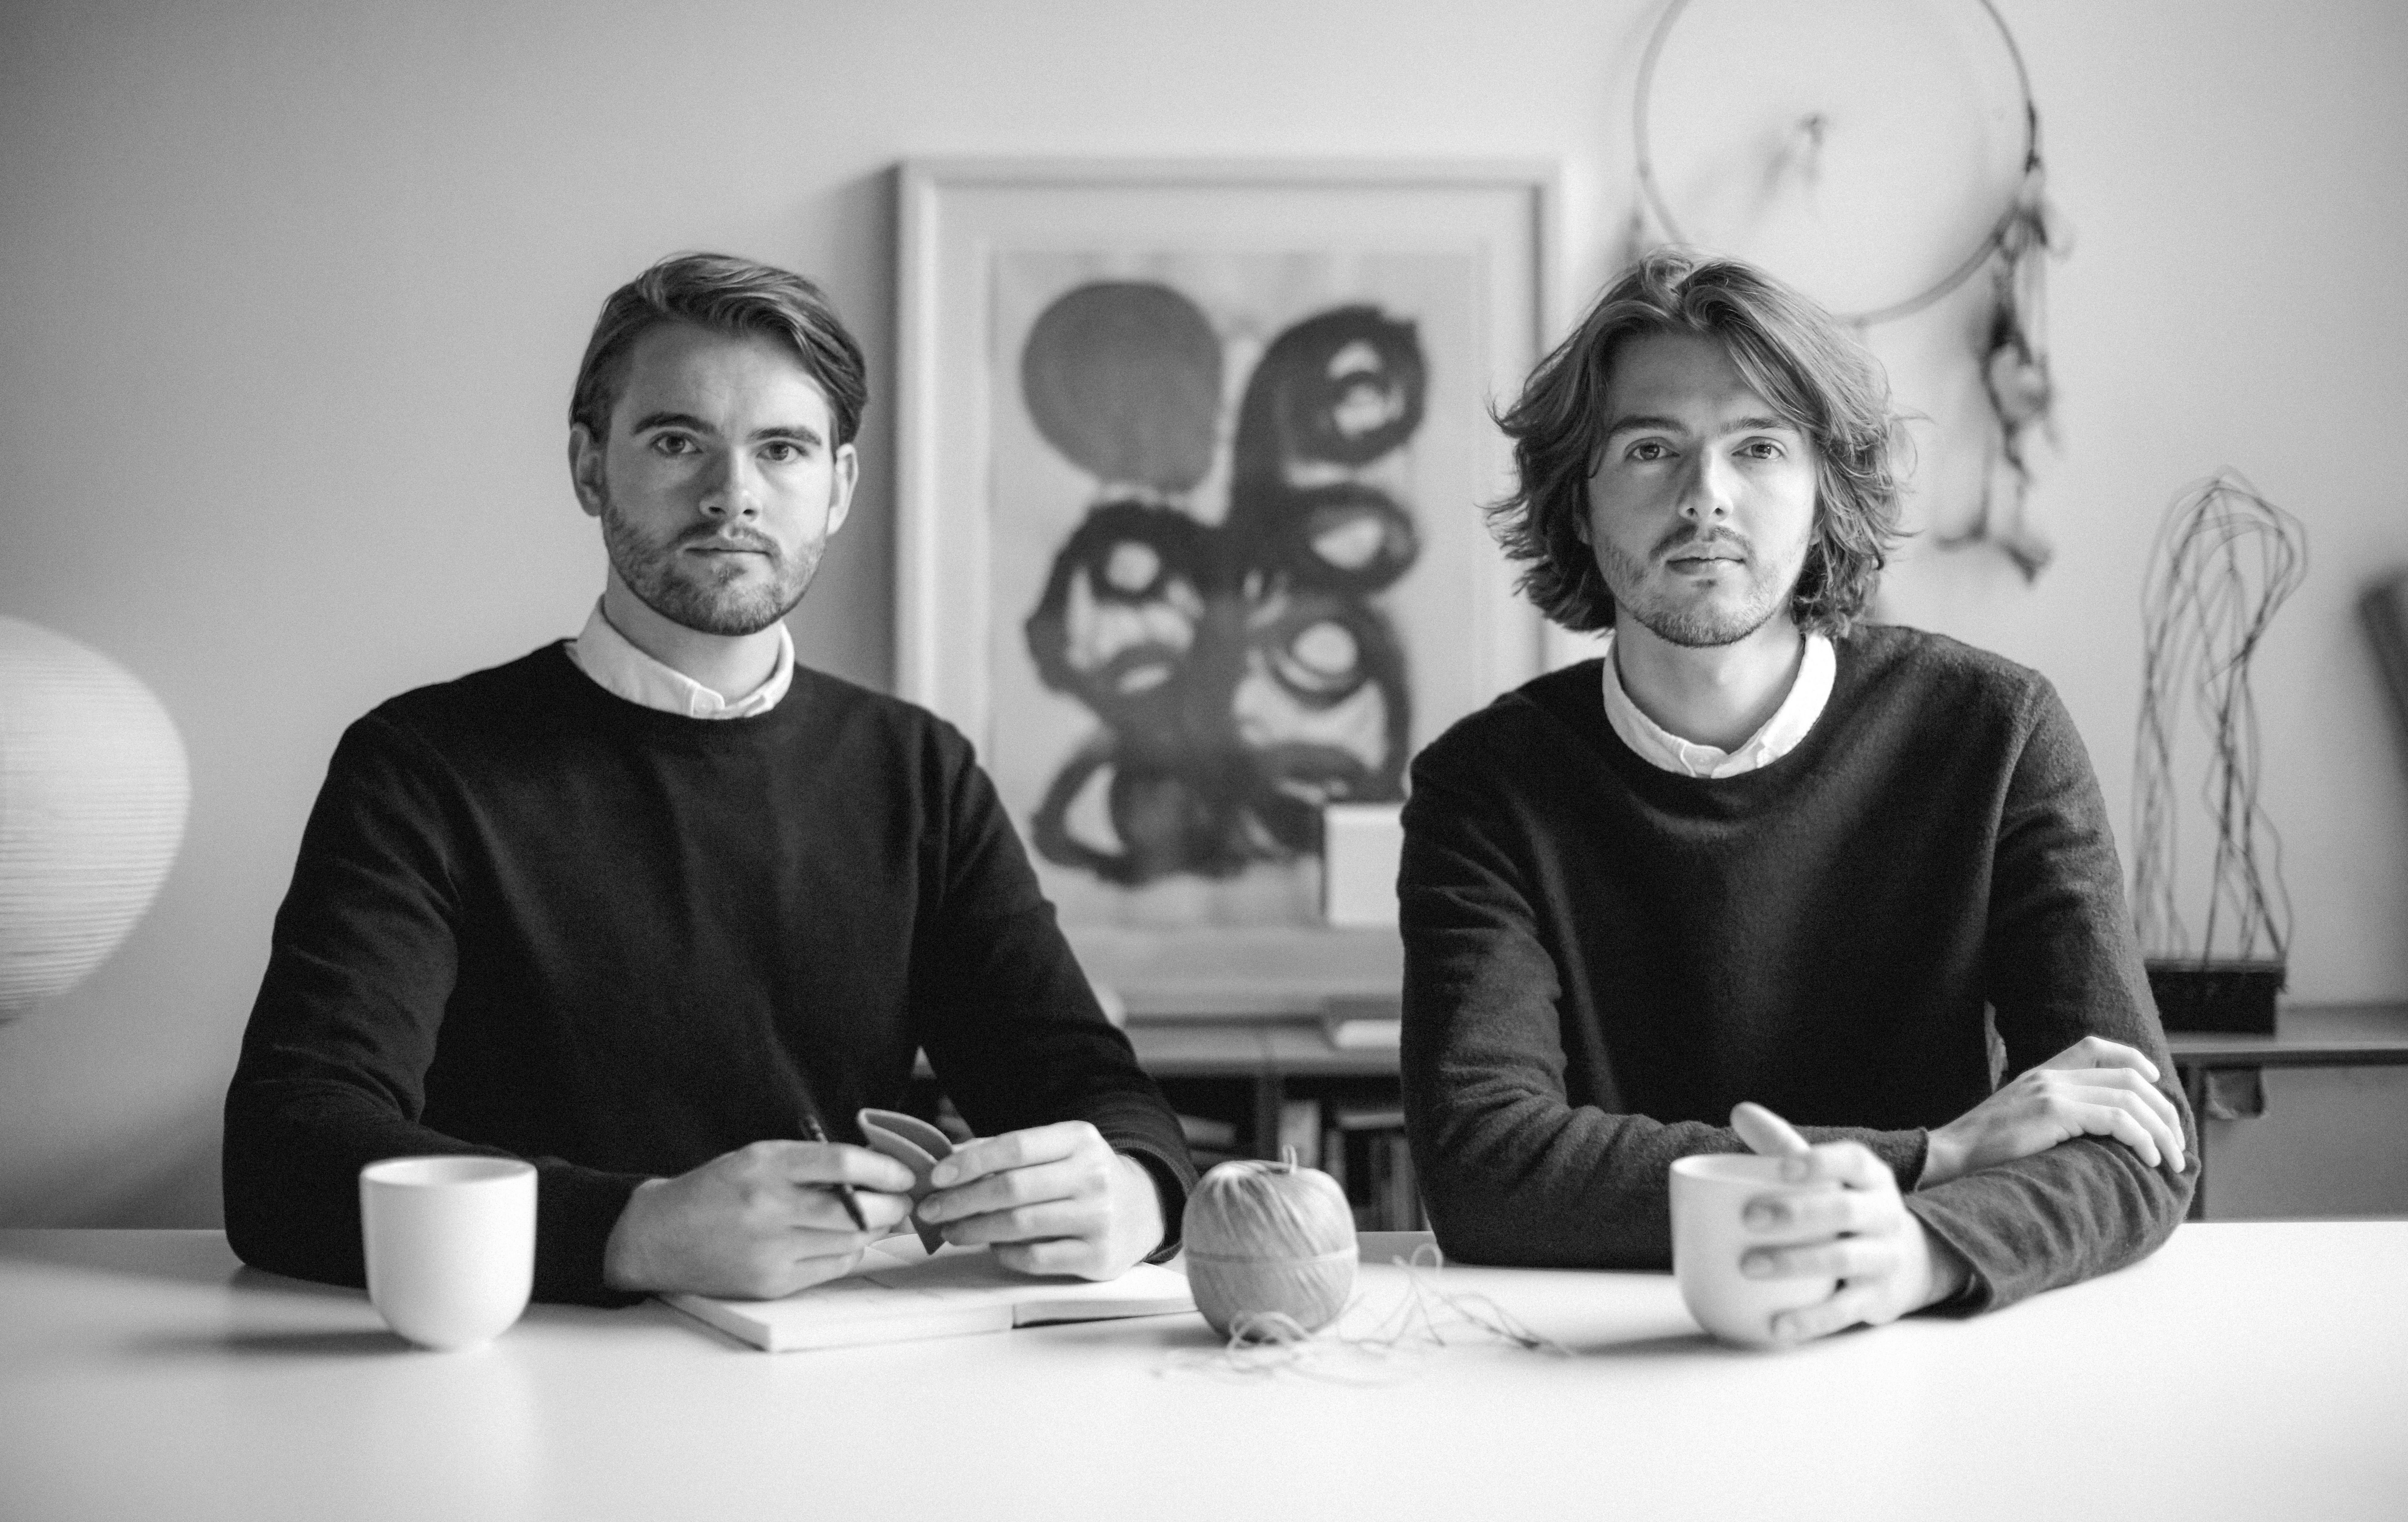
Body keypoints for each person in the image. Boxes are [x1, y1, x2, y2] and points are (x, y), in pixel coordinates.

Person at [224, 253, 1193, 1307]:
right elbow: (287, 1155)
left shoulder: (920, 774)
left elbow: (1096, 1094)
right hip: (510, 1369)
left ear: (839, 488)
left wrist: (1138, 1194)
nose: (734, 495)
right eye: (679, 441)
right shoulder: (422, 766)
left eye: (782, 450)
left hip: (839, 1386)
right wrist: (634, 1230)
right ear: (590, 468)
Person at [1399, 249, 2195, 1344]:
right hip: (1597, 1365)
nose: (1704, 497)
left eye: (1759, 448)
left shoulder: (1994, 734)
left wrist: (1920, 1250)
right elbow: (1486, 1168)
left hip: (1914, 1344)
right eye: (1648, 449)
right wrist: (1935, 1157)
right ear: (1577, 506)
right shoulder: (1486, 788)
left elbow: (2137, 1146)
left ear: (1824, 495)